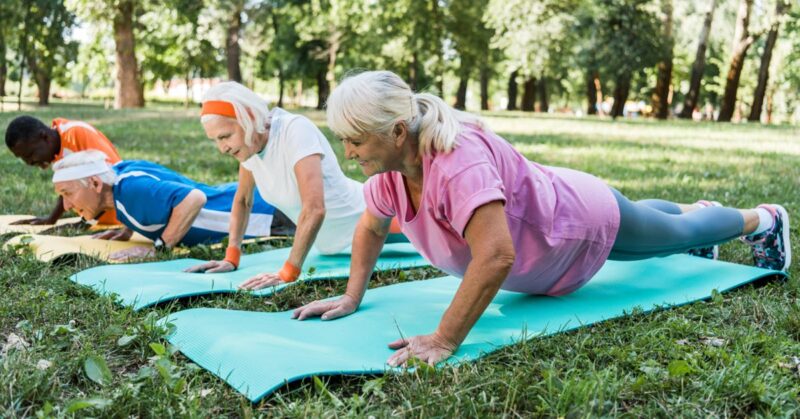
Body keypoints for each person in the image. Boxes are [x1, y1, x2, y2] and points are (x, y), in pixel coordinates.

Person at [292, 70, 791, 367]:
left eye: (354, 140)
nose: (348, 152)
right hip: (565, 214)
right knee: (650, 221)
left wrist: (444, 339)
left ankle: (763, 219)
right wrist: (352, 294)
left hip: (578, 225)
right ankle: (702, 210)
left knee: (674, 235)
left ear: (398, 131)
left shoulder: (456, 163)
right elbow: (371, 227)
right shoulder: (390, 175)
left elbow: (496, 255)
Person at [185, 82, 403, 286]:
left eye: (225, 136)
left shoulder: (294, 130)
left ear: (249, 118)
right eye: (216, 140)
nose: (222, 148)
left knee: (426, 238)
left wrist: (288, 273)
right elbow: (243, 200)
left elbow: (315, 208)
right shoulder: (249, 149)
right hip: (329, 245)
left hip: (368, 216)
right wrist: (231, 257)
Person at [51, 150, 293, 261]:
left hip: (268, 212)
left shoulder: (131, 191)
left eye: (67, 193)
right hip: (262, 199)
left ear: (94, 183)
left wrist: (159, 248)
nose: (66, 204)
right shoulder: (120, 178)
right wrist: (127, 228)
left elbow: (193, 198)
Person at [5, 115, 123, 228]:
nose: (29, 162)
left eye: (30, 154)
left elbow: (112, 178)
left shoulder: (77, 134)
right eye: (22, 158)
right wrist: (51, 219)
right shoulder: (57, 148)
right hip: (100, 222)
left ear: (44, 137)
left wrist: (84, 224)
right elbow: (69, 189)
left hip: (121, 218)